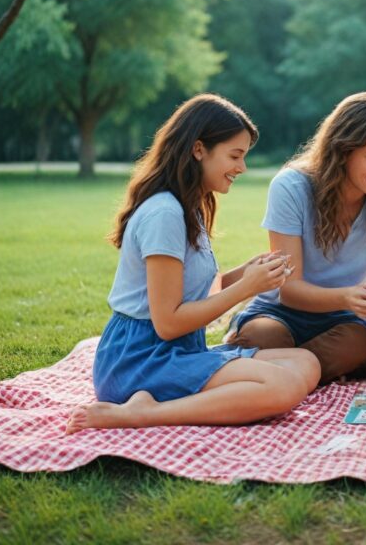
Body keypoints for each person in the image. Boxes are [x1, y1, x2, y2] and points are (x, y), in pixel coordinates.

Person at [67, 94, 320, 434]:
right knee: (284, 386)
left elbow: (193, 292)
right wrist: (249, 288)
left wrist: (243, 273)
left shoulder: (189, 207)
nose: (242, 167)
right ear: (199, 149)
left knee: (306, 363)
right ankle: (141, 413)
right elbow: (168, 323)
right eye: (235, 155)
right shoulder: (164, 214)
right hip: (139, 361)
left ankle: (199, 395)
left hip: (177, 350)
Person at [226, 92, 366, 384]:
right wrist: (346, 296)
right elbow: (290, 290)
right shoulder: (292, 187)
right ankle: (300, 373)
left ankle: (274, 375)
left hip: (347, 323)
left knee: (356, 344)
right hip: (281, 311)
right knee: (261, 335)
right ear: (343, 151)